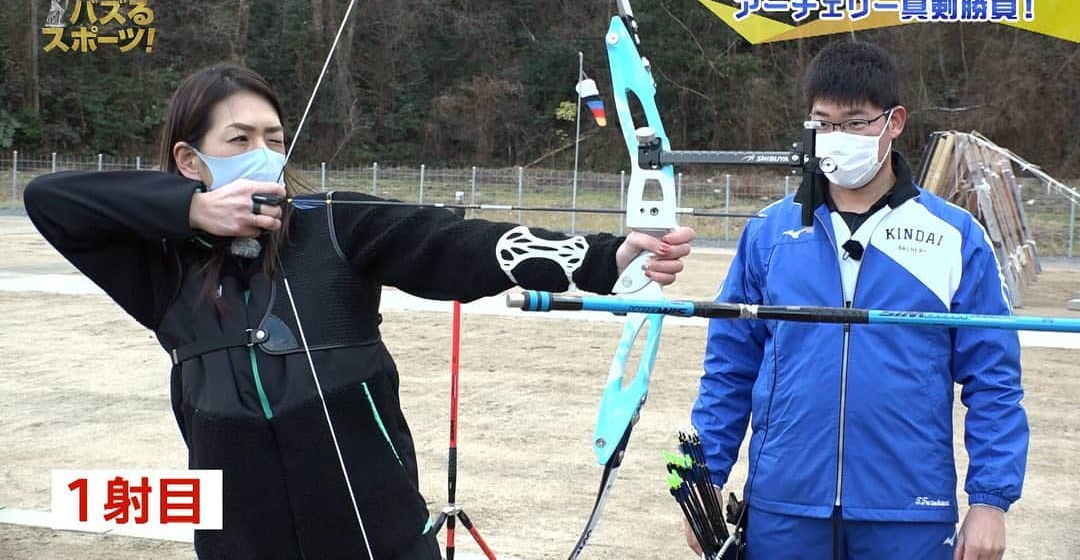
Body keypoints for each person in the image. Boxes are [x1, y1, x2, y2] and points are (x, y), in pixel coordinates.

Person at [25, 63, 695, 560]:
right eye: (238, 138)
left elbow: (458, 245)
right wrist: (191, 210)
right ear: (188, 158)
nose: (263, 151)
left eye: (273, 135)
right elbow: (50, 199)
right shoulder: (163, 271)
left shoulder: (333, 222)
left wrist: (607, 256)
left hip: (382, 542)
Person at [687, 41, 1027, 560]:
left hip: (908, 508)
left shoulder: (956, 235)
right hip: (783, 503)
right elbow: (730, 363)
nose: (837, 138)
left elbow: (994, 377)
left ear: (895, 122)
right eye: (823, 123)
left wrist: (990, 500)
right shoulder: (769, 233)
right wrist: (706, 478)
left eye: (856, 122)